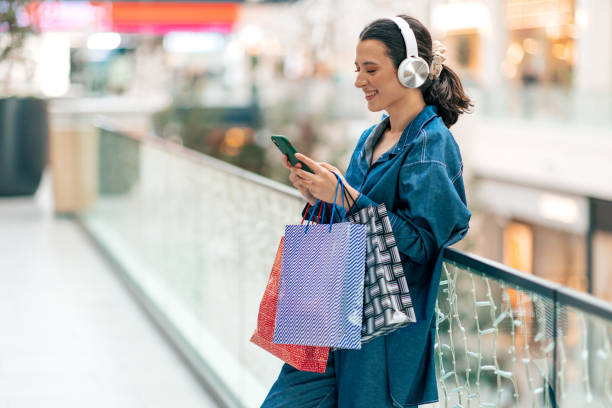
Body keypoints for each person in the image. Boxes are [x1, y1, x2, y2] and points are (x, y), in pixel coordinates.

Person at [263, 15, 472, 408]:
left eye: (371, 70)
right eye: (358, 70)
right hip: (332, 310)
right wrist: (321, 195)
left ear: (411, 70)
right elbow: (354, 219)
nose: (360, 80)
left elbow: (423, 244)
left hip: (381, 337)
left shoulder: (430, 147)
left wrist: (345, 198)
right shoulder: (371, 137)